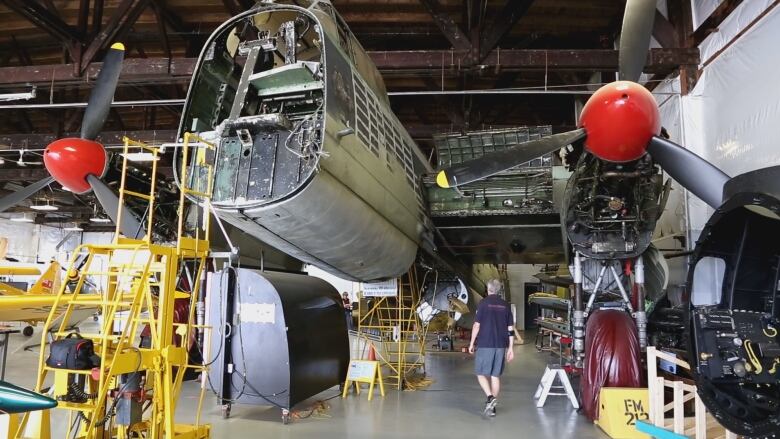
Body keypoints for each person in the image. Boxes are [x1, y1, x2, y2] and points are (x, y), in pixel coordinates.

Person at [469, 278, 514, 417]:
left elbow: (477, 325)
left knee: (480, 373)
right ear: (499, 290)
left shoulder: (483, 303)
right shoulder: (505, 305)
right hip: (501, 345)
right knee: (495, 375)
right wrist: (511, 348)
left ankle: (490, 397)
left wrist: (471, 343)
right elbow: (510, 328)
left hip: (485, 343)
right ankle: (492, 408)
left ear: (487, 289)